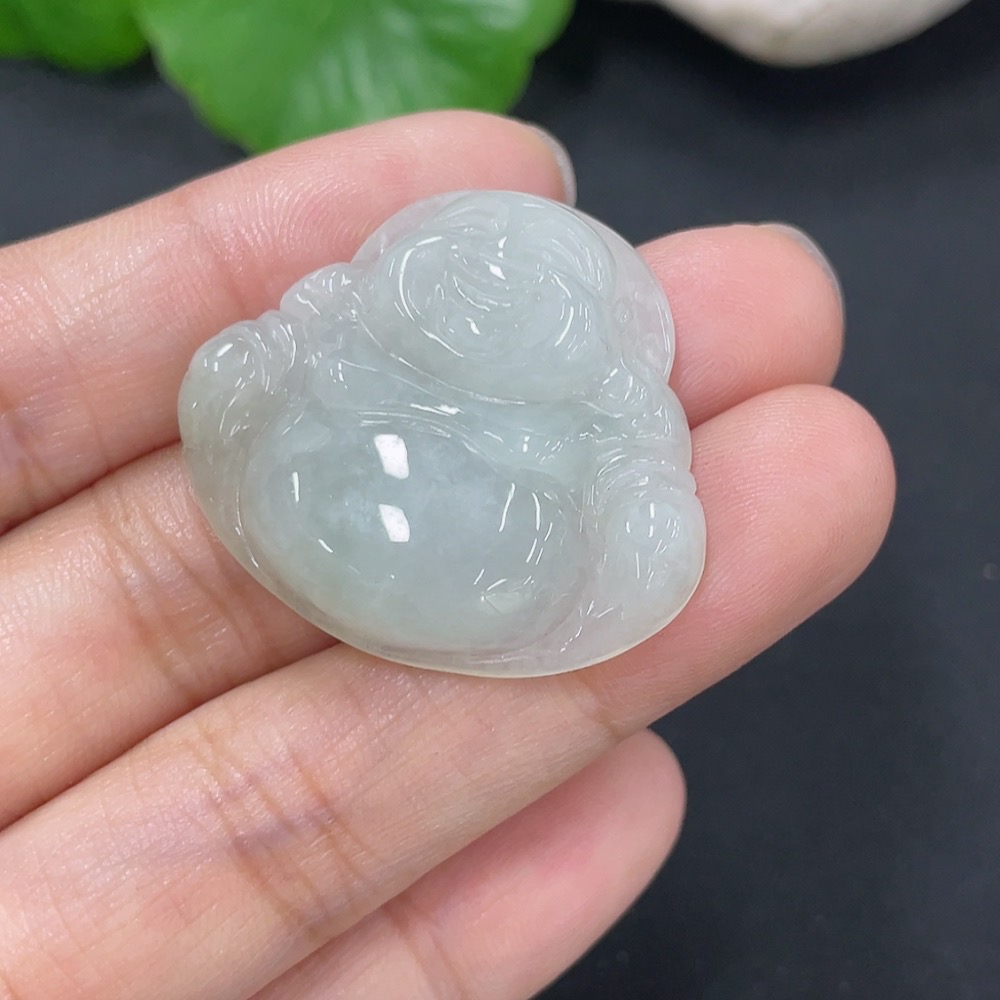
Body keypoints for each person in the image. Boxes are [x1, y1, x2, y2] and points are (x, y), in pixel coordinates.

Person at [0, 111, 893, 999]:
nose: (489, 288)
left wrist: (646, 526)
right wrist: (253, 369)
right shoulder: (348, 327)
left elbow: (637, 488)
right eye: (462, 259)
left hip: (500, 551)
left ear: (593, 334)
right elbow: (263, 362)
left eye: (535, 287)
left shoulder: (601, 412)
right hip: (314, 480)